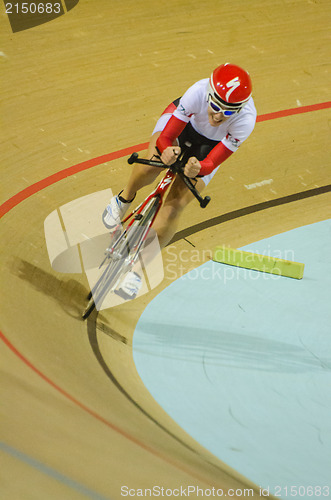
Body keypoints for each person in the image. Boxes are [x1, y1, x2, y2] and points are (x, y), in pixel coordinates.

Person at [103, 63, 257, 299]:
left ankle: (136, 271)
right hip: (184, 126)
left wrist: (199, 168)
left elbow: (213, 162)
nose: (217, 116)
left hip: (209, 148)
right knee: (153, 162)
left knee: (174, 207)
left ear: (239, 109)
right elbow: (166, 137)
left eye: (226, 112)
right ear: (209, 95)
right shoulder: (197, 91)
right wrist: (165, 150)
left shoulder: (246, 119)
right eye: (215, 106)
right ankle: (124, 198)